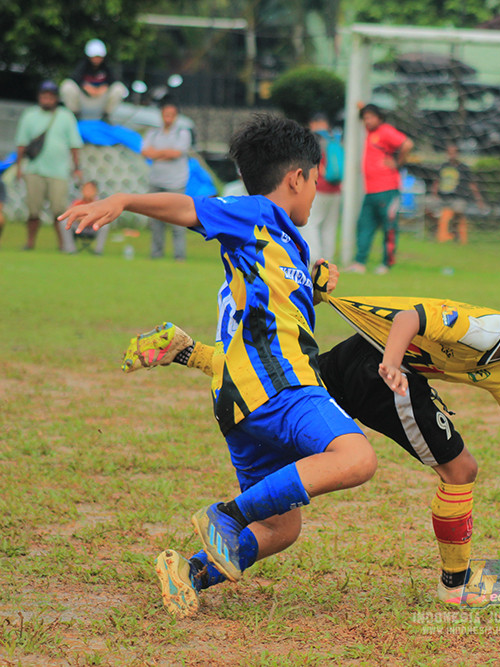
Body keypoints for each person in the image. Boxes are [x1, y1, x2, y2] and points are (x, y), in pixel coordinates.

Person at [119, 269, 500, 606]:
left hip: (368, 362)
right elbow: (410, 317)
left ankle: (190, 569)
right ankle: (456, 585)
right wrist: (394, 364)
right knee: (460, 470)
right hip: (381, 369)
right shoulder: (481, 328)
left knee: (290, 409)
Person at [59, 113, 378, 619]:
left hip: (239, 398)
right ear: (296, 177)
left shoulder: (282, 241)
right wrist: (124, 200)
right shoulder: (253, 213)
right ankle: (225, 516)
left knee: (280, 528)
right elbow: (190, 207)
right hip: (280, 388)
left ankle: (188, 571)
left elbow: (273, 309)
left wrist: (312, 283)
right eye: (316, 181)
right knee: (356, 458)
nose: (317, 193)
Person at [14, 80, 84, 252]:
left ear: (56, 99)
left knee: (59, 210)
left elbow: (74, 144)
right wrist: (18, 167)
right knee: (33, 209)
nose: (47, 100)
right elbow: (21, 144)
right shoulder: (30, 115)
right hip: (34, 169)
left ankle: (62, 243)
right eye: (44, 97)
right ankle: (30, 242)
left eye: (50, 97)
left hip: (58, 171)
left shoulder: (66, 116)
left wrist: (77, 167)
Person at [344, 104, 413, 275]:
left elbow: (407, 144)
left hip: (387, 189)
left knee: (389, 227)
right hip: (370, 191)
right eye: (365, 118)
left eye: (371, 117)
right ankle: (359, 263)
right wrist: (361, 105)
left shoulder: (385, 130)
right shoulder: (370, 133)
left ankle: (386, 264)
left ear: (379, 117)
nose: (367, 121)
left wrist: (398, 163)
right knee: (364, 225)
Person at [140, 99, 192, 261]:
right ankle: (156, 253)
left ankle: (179, 255)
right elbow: (145, 152)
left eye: (171, 115)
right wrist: (163, 153)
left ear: (176, 117)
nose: (168, 118)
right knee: (155, 221)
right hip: (156, 181)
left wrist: (157, 154)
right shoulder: (153, 133)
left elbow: (176, 153)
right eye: (165, 115)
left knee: (178, 221)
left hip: (176, 183)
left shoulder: (183, 133)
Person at [299, 113, 342, 264]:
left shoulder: (314, 139)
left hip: (318, 188)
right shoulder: (336, 138)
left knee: (311, 223)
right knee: (329, 227)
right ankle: (327, 261)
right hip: (336, 189)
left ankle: (314, 258)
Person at [59, 39, 128, 121]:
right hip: (84, 100)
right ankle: (75, 116)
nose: (97, 59)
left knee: (119, 88)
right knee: (67, 85)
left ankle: (105, 117)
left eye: (99, 57)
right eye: (94, 57)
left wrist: (103, 88)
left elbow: (115, 82)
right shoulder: (82, 66)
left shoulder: (107, 67)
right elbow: (74, 80)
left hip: (101, 100)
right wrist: (86, 87)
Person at [430, 143, 486, 244]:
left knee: (458, 211)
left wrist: (479, 199)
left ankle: (455, 232)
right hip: (443, 197)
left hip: (458, 198)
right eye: (449, 153)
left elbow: (472, 184)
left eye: (454, 153)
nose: (452, 155)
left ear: (458, 154)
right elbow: (436, 182)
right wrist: (434, 195)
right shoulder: (443, 166)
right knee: (429, 208)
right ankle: (438, 231)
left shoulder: (464, 168)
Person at [67, 181, 111, 254]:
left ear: (95, 191)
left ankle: (98, 250)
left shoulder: (99, 204)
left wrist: (86, 218)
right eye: (86, 189)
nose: (87, 192)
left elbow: (102, 217)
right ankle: (70, 248)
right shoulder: (77, 203)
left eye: (90, 190)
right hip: (79, 227)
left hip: (93, 228)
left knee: (105, 225)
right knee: (64, 223)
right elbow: (70, 214)